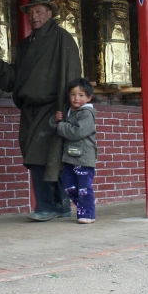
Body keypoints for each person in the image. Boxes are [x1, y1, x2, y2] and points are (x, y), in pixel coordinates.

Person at [0, 0, 81, 222]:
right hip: (30, 110)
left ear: (50, 13)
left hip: (54, 108)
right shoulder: (25, 46)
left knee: (44, 156)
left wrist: (69, 109)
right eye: (31, 12)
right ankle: (60, 205)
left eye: (39, 11)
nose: (34, 16)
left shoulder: (63, 39)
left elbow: (71, 75)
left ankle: (47, 206)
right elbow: (15, 78)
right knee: (41, 157)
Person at [50, 78, 98, 224]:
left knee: (83, 188)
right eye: (73, 94)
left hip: (84, 158)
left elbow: (76, 132)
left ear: (89, 97)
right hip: (70, 157)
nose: (76, 98)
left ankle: (88, 215)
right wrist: (55, 121)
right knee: (68, 186)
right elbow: (60, 126)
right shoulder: (70, 112)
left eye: (81, 95)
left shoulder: (87, 114)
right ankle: (87, 205)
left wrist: (60, 126)